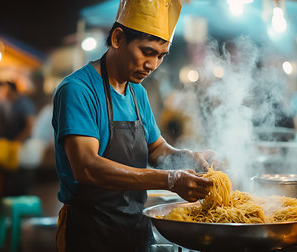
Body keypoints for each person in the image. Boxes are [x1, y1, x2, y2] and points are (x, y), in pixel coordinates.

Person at [52, 1, 217, 251]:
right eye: (147, 52)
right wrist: (170, 180)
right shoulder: (77, 89)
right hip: (90, 233)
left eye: (161, 56)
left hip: (135, 231)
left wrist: (189, 159)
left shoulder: (137, 93)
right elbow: (87, 167)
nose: (152, 65)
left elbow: (157, 150)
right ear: (118, 38)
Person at [0, 80, 36, 196]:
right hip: (11, 148)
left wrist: (16, 141)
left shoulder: (23, 103)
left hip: (22, 148)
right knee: (10, 180)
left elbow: (30, 125)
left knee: (21, 180)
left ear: (12, 90)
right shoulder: (6, 104)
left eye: (6, 90)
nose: (3, 92)